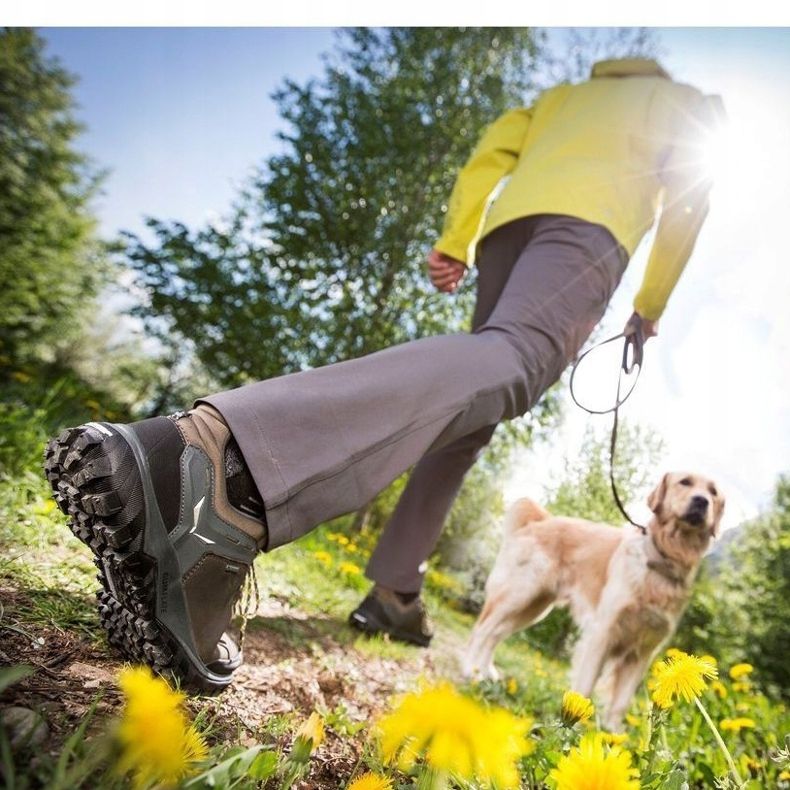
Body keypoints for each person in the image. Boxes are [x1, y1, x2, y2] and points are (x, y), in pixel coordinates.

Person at [44, 58, 723, 691]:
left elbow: (489, 155)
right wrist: (650, 304)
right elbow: (690, 194)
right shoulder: (679, 101)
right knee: (514, 360)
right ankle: (218, 471)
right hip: (590, 233)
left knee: (473, 413)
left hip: (509, 232)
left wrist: (459, 237)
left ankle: (396, 589)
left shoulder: (560, 100)